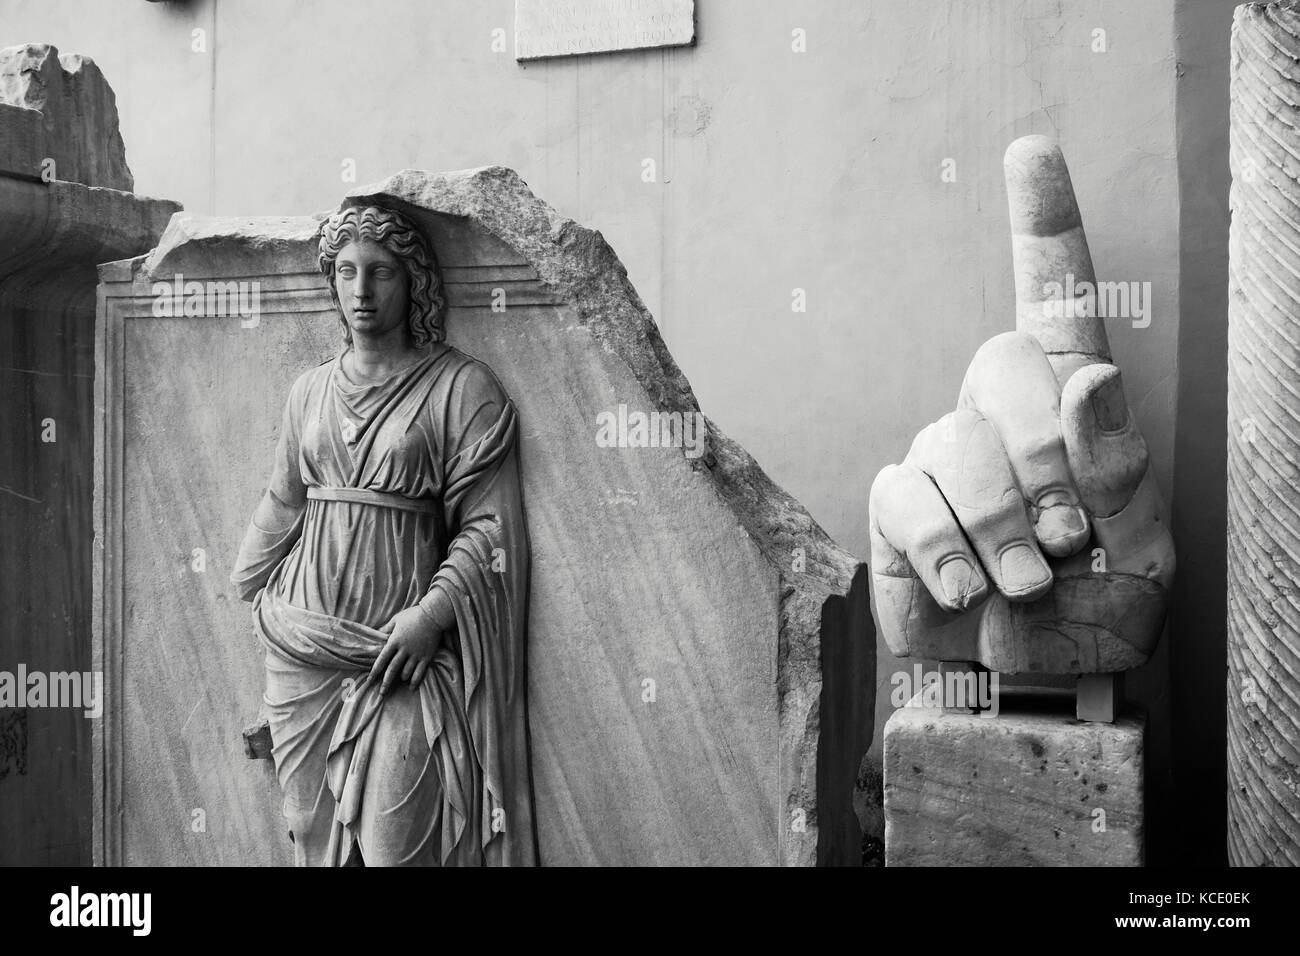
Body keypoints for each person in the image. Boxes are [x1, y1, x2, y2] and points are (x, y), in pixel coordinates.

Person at [231, 204, 536, 866]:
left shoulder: (461, 387)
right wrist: (249, 589)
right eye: (345, 272)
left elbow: (490, 532)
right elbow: (285, 497)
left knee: (397, 850)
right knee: (311, 840)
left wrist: (431, 617)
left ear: (414, 281)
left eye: (380, 273)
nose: (361, 291)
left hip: (399, 654)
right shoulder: (308, 391)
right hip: (302, 645)